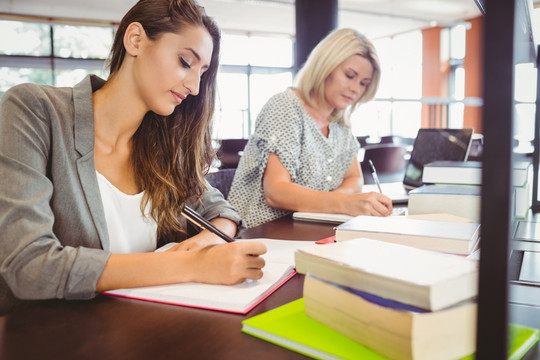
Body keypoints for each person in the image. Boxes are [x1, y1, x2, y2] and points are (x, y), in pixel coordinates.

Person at [0, 0, 266, 314]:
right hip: (58, 336)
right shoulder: (33, 110)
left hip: (143, 327)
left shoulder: (162, 144)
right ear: (135, 40)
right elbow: (29, 266)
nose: (195, 87)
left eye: (202, 73)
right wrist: (189, 265)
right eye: (184, 61)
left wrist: (209, 239)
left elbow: (219, 208)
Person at [228, 28, 393, 228]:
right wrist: (343, 203)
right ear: (325, 66)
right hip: (263, 233)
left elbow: (355, 179)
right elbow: (276, 191)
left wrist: (336, 203)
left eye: (363, 83)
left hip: (308, 230)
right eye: (349, 75)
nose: (356, 89)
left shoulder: (340, 125)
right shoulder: (285, 106)